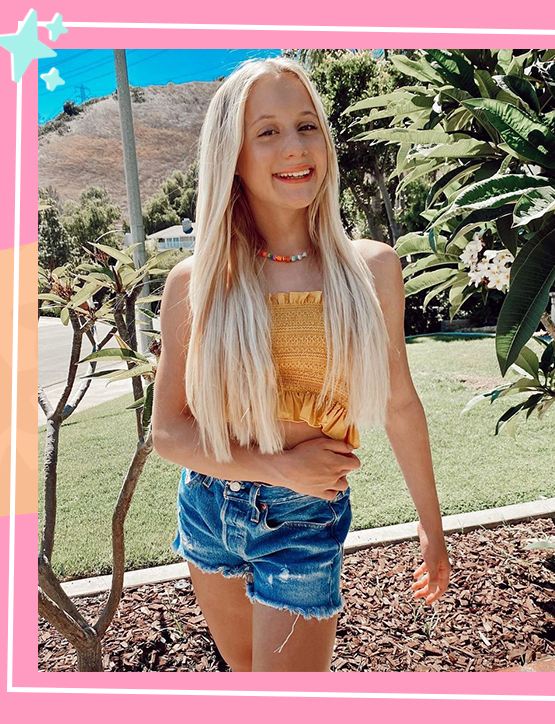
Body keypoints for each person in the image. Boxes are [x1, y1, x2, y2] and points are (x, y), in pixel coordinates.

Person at [152, 56, 451, 673]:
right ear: (232, 155)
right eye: (268, 131)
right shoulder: (197, 283)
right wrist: (276, 465)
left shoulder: (372, 271)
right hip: (208, 505)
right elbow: (169, 433)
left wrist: (431, 524)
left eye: (307, 125)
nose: (295, 146)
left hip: (302, 516)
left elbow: (398, 402)